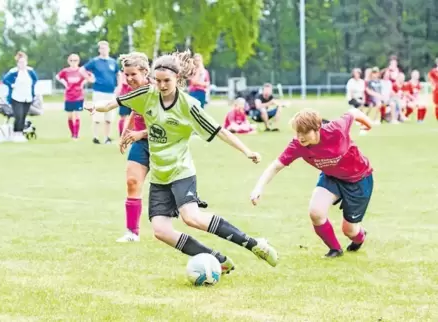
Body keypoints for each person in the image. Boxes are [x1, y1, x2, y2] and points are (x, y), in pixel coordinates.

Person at [86, 50, 278, 273]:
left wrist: (247, 151)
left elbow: (220, 131)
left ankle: (255, 244)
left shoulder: (189, 105)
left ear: (178, 78)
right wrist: (94, 107)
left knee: (192, 218)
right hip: (159, 175)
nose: (162, 85)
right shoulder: (146, 94)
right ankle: (218, 259)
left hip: (181, 172)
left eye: (166, 80)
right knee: (161, 231)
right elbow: (113, 103)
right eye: (158, 81)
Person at [250, 108, 374, 258]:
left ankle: (360, 236)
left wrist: (368, 124)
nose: (300, 137)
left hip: (359, 179)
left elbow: (353, 112)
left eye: (305, 132)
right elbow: (276, 166)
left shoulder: (336, 129)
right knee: (316, 212)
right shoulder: (297, 145)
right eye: (298, 132)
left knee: (349, 231)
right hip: (331, 177)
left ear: (317, 128)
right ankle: (335, 249)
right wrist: (258, 188)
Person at [115, 52, 210, 243]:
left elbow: (167, 125)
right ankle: (132, 232)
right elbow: (135, 112)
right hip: (141, 144)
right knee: (132, 182)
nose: (129, 79)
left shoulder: (159, 89)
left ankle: (178, 220)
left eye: (133, 74)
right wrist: (126, 132)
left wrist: (140, 133)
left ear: (144, 71)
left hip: (165, 143)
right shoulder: (134, 92)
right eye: (126, 75)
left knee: (169, 190)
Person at [80, 40, 122, 144]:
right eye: (101, 48)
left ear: (108, 49)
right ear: (99, 50)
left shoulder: (113, 62)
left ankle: (106, 137)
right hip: (99, 91)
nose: (103, 50)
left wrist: (119, 86)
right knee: (97, 115)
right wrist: (89, 79)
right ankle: (95, 137)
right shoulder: (95, 61)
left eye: (105, 48)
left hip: (110, 92)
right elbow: (82, 70)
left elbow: (119, 74)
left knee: (109, 116)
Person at [2, 51, 38, 143]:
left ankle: (20, 133)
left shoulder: (30, 71)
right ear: (17, 63)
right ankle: (16, 133)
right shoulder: (13, 71)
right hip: (16, 97)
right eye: (20, 62)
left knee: (23, 116)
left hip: (27, 97)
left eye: (24, 62)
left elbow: (35, 79)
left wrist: (31, 87)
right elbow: (5, 80)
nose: (22, 64)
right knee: (18, 115)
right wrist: (12, 85)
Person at [56, 53, 91, 139]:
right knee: (70, 116)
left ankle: (76, 134)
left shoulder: (81, 70)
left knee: (77, 115)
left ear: (78, 61)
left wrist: (83, 82)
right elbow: (58, 76)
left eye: (75, 60)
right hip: (69, 96)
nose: (73, 62)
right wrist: (64, 83)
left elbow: (90, 76)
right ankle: (72, 133)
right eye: (71, 60)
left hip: (78, 96)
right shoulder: (66, 71)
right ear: (68, 61)